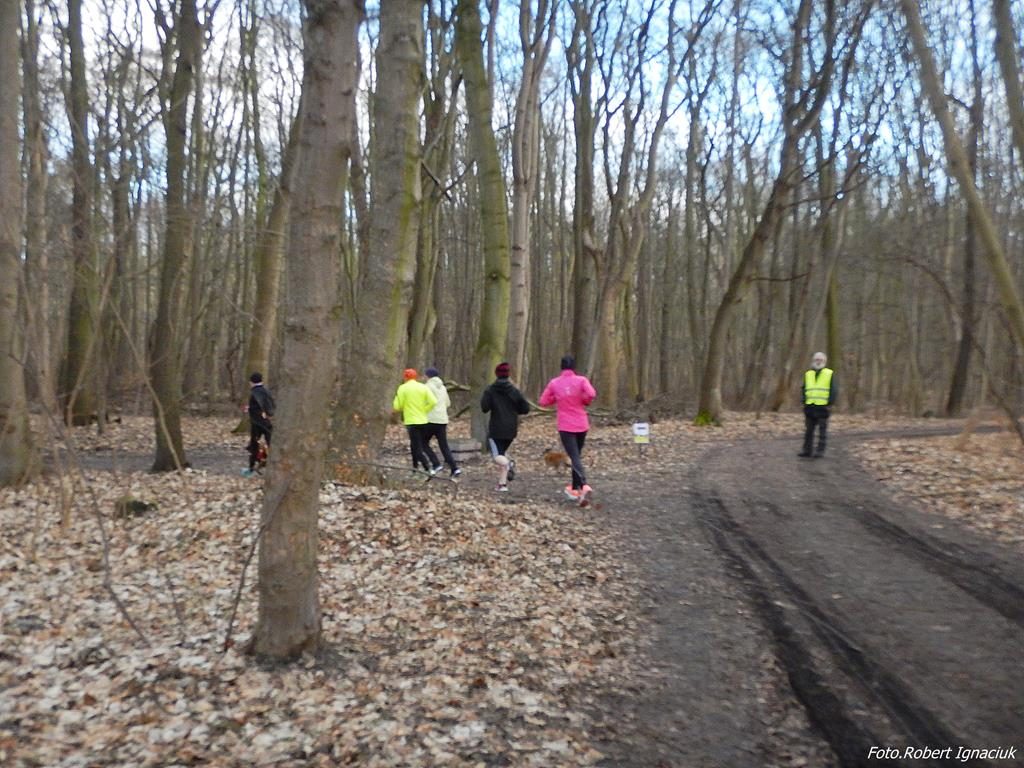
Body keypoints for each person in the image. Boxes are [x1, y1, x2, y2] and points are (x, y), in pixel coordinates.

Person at [539, 355, 597, 502]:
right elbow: (591, 394)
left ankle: (583, 485)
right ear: (574, 367)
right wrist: (584, 400)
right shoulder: (582, 380)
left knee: (574, 457)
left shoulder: (554, 383)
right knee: (575, 456)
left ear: (561, 367)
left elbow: (543, 401)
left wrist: (557, 398)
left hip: (565, 426)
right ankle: (575, 489)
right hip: (581, 424)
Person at [480, 361, 530, 492]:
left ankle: (509, 464)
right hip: (511, 429)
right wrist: (514, 409)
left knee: (496, 456)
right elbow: (525, 408)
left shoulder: (490, 390)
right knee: (501, 454)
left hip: (496, 429)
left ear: (496, 374)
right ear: (508, 375)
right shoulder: (514, 391)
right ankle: (502, 485)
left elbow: (484, 408)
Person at [393, 368, 440, 473]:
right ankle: (415, 467)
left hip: (411, 422)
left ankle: (428, 468)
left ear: (405, 377)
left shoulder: (402, 388)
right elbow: (433, 402)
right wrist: (424, 410)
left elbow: (397, 406)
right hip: (423, 421)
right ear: (416, 377)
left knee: (417, 447)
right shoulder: (423, 387)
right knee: (416, 445)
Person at [424, 366, 461, 478]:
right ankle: (454, 468)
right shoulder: (443, 388)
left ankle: (436, 464)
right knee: (444, 445)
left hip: (430, 419)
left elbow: (424, 402)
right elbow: (448, 403)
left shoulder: (426, 387)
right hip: (442, 419)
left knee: (422, 442)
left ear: (427, 376)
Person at [799, 351, 837, 458]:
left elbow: (833, 390)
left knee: (822, 431)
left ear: (824, 361)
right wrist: (804, 401)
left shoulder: (829, 373)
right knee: (808, 431)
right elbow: (804, 388)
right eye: (816, 359)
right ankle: (807, 450)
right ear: (813, 361)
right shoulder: (808, 374)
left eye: (820, 360)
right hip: (810, 406)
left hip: (823, 407)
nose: (818, 361)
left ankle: (820, 451)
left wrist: (830, 403)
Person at [243, 372, 275, 477]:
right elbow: (270, 405)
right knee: (271, 444)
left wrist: (250, 410)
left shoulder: (255, 392)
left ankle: (251, 467)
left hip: (257, 423)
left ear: (251, 382)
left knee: (254, 445)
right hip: (267, 422)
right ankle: (271, 465)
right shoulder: (266, 391)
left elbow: (259, 406)